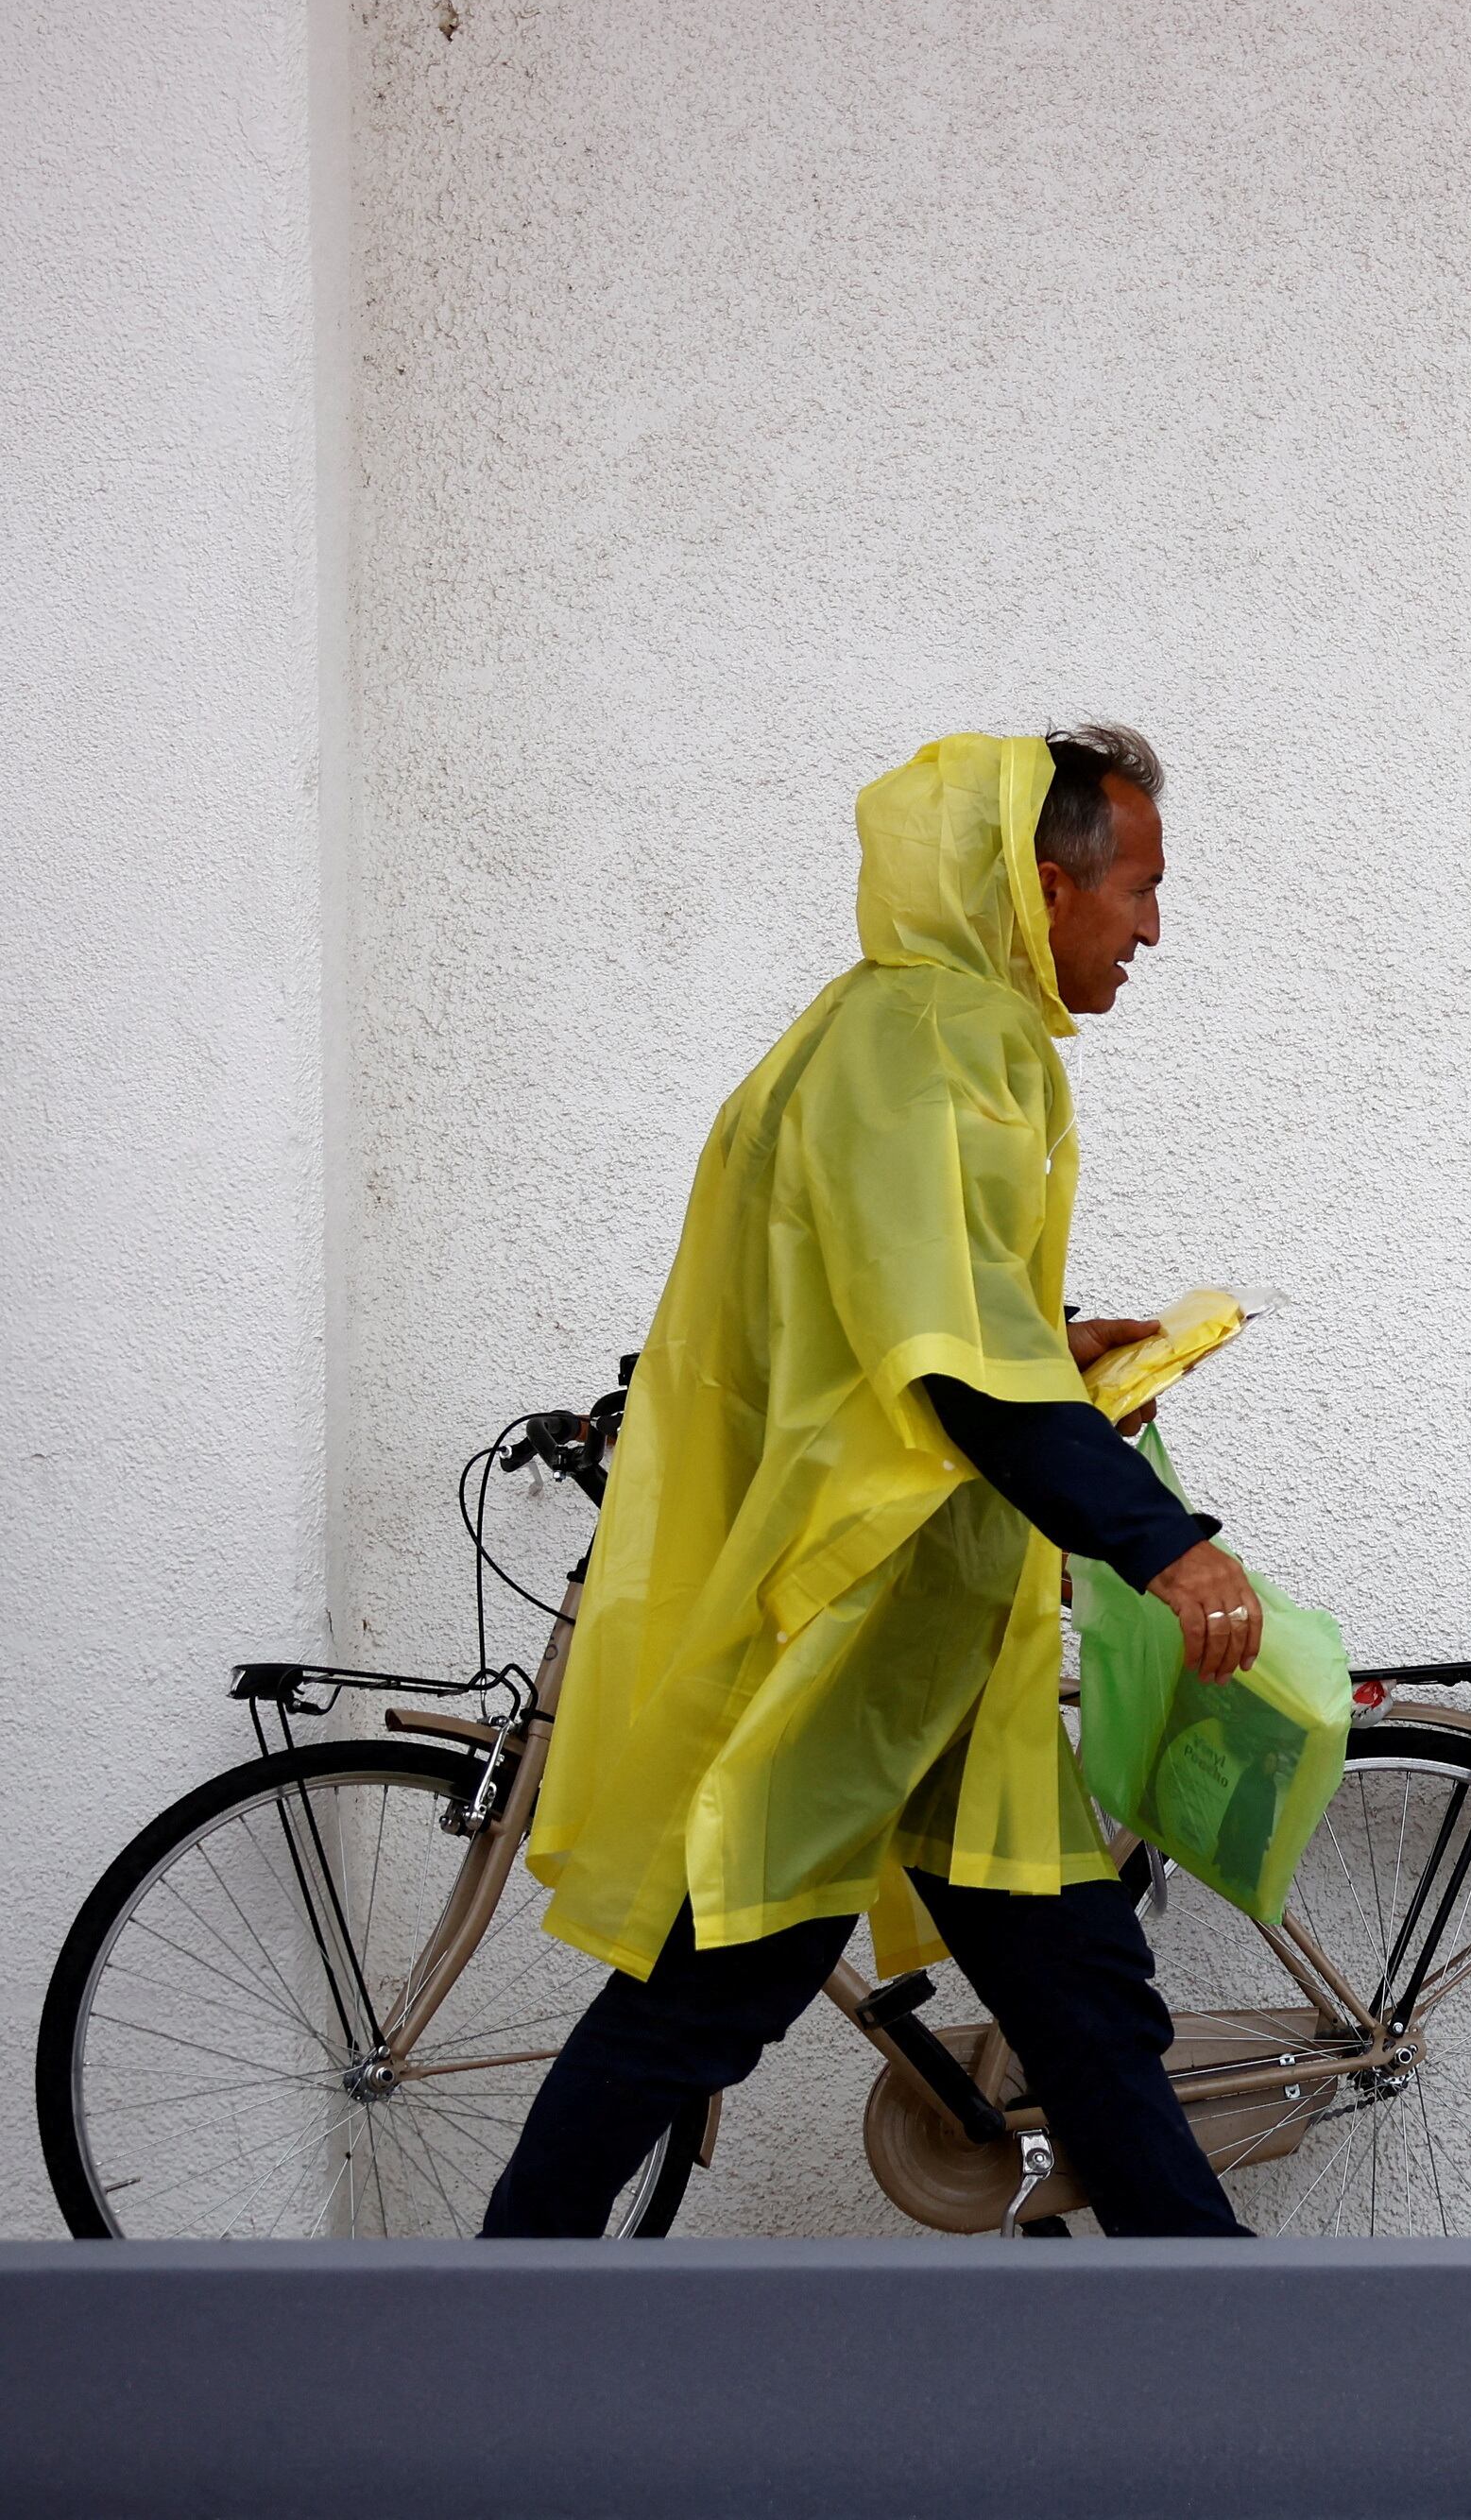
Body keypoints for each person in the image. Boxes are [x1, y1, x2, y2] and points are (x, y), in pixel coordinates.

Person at [482, 723, 1270, 2238]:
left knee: (1081, 1999)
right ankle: (485, 2328)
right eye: (1144, 889)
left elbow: (920, 1308)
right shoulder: (938, 1044)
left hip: (928, 1643)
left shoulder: (899, 1031)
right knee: (707, 1992)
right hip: (867, 1625)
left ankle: (1217, 2326)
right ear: (1050, 884)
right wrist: (1162, 1546)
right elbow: (954, 1366)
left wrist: (1056, 1338)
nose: (1154, 928)